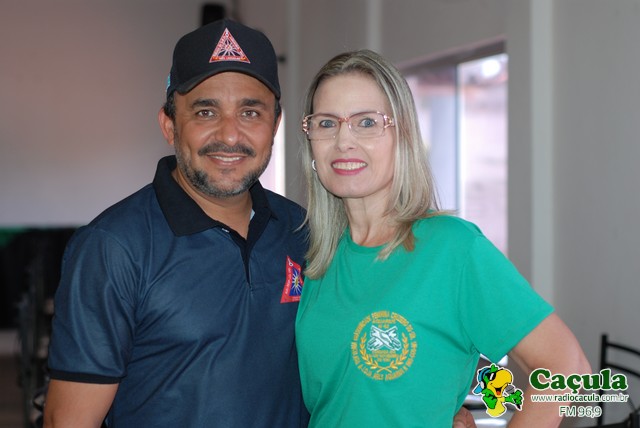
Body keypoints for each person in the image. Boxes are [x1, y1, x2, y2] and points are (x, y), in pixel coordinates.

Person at [295, 49, 591, 427]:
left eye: (366, 122)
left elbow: (567, 368)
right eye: (326, 123)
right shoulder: (315, 259)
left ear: (403, 135)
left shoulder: (452, 249)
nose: (343, 141)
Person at [43, 19, 309, 427]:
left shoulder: (302, 231)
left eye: (250, 112)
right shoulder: (113, 248)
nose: (230, 135)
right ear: (169, 125)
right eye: (206, 111)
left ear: (274, 125)